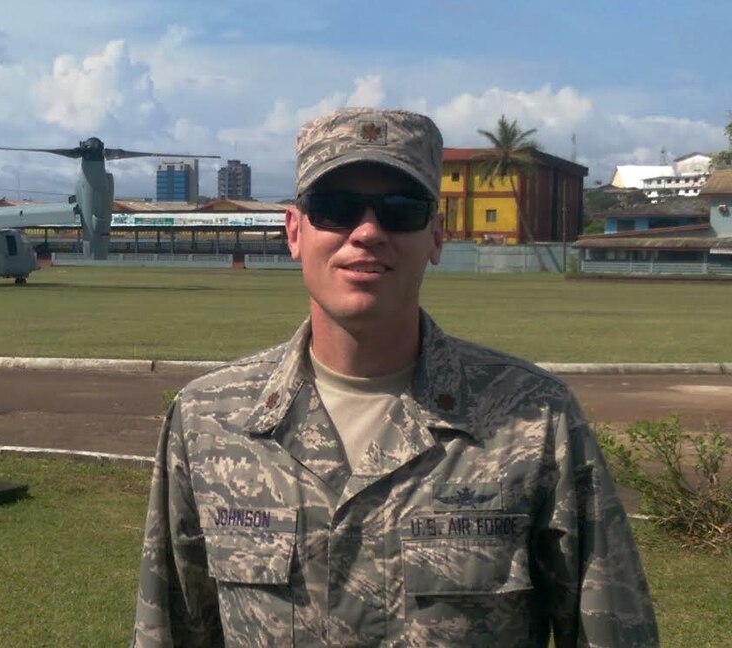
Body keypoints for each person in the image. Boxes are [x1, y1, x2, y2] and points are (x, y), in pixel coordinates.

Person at [131, 108, 658, 647]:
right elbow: (169, 630)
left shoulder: (534, 420)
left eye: (401, 210)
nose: (367, 232)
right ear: (294, 232)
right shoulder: (210, 419)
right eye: (335, 209)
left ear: (436, 236)